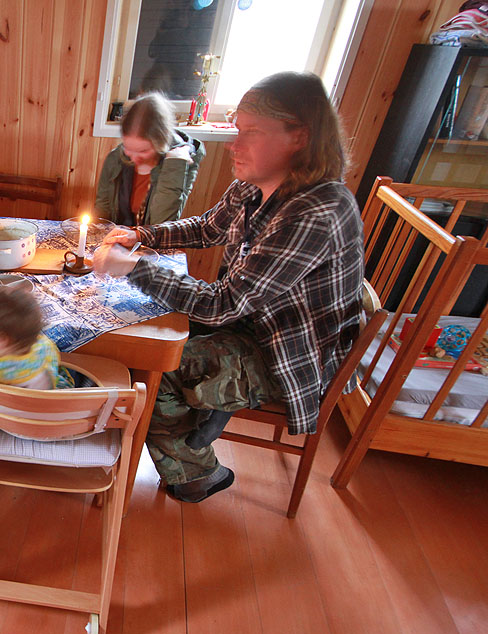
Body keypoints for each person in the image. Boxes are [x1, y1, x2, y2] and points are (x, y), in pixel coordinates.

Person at [93, 71, 364, 503]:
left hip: (288, 352)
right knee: (143, 327)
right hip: (251, 321)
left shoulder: (317, 210)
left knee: (156, 368)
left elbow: (224, 304)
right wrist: (142, 237)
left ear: (300, 137)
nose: (234, 146)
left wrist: (133, 269)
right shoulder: (254, 185)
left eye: (251, 133)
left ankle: (197, 474)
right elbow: (208, 226)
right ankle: (203, 406)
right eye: (237, 129)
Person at [94, 92, 205, 227]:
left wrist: (174, 164)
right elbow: (102, 211)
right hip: (117, 241)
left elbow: (162, 225)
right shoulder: (116, 158)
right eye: (128, 148)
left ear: (161, 143)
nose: (134, 157)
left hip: (152, 242)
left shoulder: (179, 163)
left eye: (143, 151)